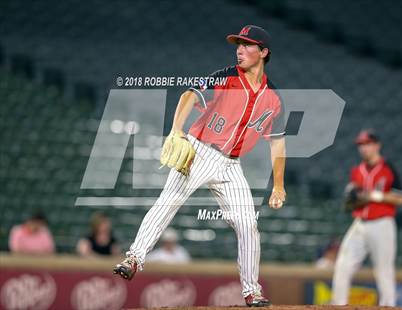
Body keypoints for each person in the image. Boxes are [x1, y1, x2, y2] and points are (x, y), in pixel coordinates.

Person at [114, 25, 287, 307]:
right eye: (238, 44)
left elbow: (277, 143)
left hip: (231, 165)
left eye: (247, 45)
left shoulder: (274, 98)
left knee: (248, 225)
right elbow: (190, 95)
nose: (239, 49)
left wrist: (278, 184)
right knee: (169, 202)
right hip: (200, 151)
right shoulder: (227, 77)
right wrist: (176, 130)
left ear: (264, 52)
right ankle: (134, 258)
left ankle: (252, 291)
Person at [332, 129, 402, 306]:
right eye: (361, 145)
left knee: (383, 271)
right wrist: (354, 200)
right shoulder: (357, 170)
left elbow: (400, 198)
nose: (364, 148)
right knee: (343, 265)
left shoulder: (388, 169)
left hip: (382, 224)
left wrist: (373, 196)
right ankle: (337, 305)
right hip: (360, 223)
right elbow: (353, 202)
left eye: (368, 144)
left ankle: (388, 305)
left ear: (377, 145)